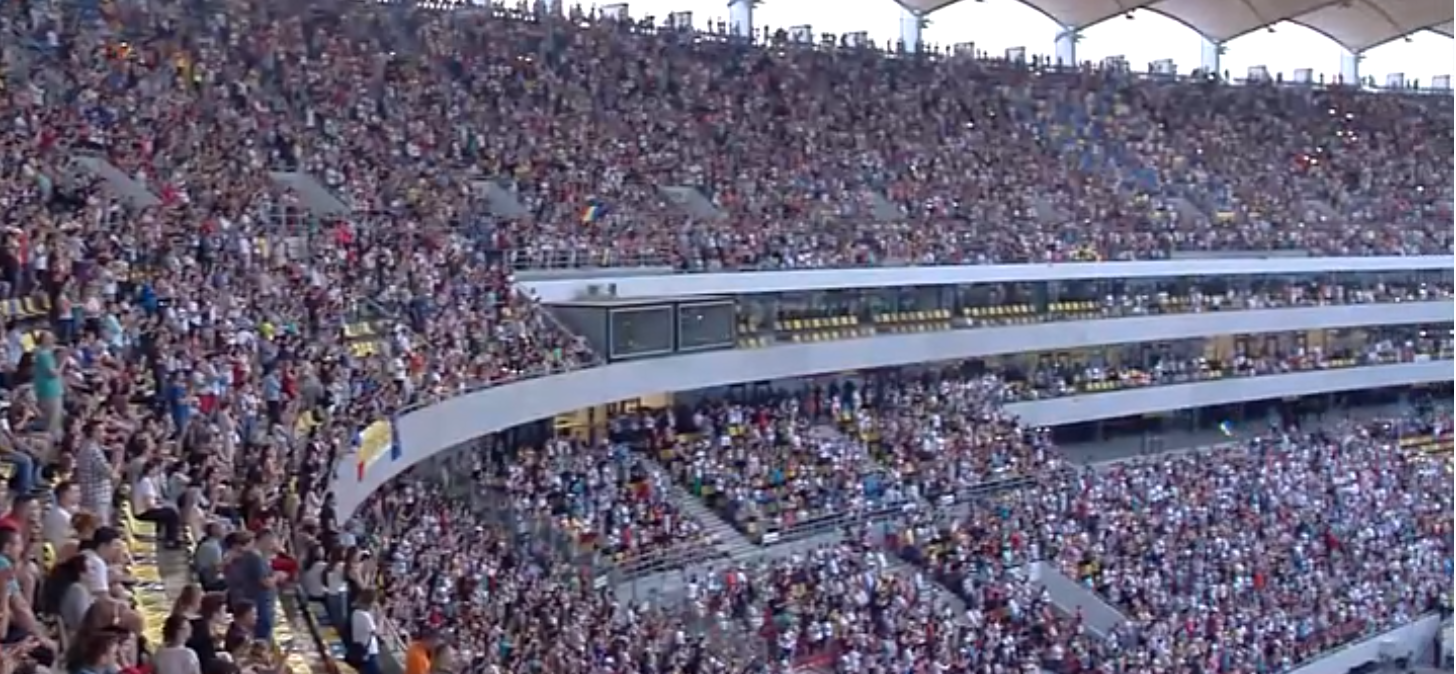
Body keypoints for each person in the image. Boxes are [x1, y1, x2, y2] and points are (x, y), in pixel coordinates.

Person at [132, 459, 183, 548]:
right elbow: (149, 504)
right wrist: (159, 506)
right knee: (171, 514)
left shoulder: (142, 480)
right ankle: (171, 540)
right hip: (143, 513)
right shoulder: (146, 482)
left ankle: (170, 538)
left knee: (169, 510)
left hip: (143, 510)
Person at [30, 332, 63, 439]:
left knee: (54, 420)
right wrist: (64, 361)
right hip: (49, 391)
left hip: (51, 390)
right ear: (44, 340)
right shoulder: (43, 355)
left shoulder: (45, 353)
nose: (53, 340)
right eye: (50, 338)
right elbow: (53, 373)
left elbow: (56, 348)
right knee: (51, 421)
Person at [347, 589, 380, 674]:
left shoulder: (355, 613)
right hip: (368, 653)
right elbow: (377, 632)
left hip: (360, 650)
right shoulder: (365, 617)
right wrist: (380, 616)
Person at [42, 482, 79, 551]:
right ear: (65, 494)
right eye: (75, 492)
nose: (79, 495)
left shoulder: (58, 511)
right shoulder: (61, 515)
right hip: (58, 553)